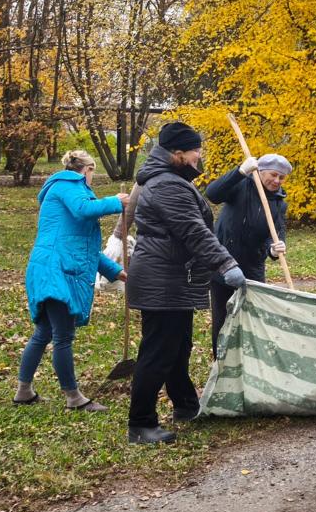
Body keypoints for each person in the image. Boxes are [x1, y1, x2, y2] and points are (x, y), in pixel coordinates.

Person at [125, 122, 246, 444]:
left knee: (177, 348)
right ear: (177, 153)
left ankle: (185, 405)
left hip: (170, 277)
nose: (198, 157)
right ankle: (140, 424)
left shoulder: (169, 180)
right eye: (195, 151)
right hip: (161, 278)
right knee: (158, 352)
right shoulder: (168, 185)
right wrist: (225, 264)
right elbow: (193, 230)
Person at [16, 150, 129, 411]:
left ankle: (23, 391)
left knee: (44, 332)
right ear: (86, 169)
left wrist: (115, 271)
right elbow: (84, 210)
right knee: (63, 336)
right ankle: (73, 397)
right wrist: (116, 201)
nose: (93, 177)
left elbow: (83, 246)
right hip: (56, 269)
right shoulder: (68, 186)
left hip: (52, 266)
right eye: (93, 172)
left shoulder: (65, 189)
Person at [205, 153, 291, 357]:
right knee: (223, 319)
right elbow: (213, 194)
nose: (277, 181)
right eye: (273, 175)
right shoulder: (241, 185)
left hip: (253, 268)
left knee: (251, 319)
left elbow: (277, 231)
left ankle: (247, 362)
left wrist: (274, 247)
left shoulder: (279, 202)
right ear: (260, 171)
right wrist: (239, 172)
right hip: (224, 265)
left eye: (282, 178)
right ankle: (221, 362)